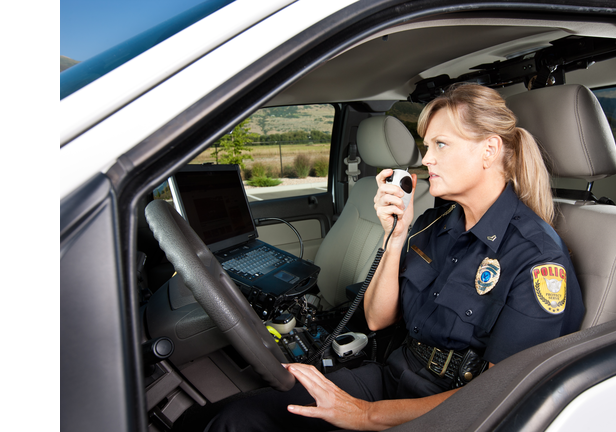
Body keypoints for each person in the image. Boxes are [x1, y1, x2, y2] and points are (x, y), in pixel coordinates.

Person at [205, 83, 584, 432]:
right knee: (238, 418)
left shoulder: (536, 259)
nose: (426, 158)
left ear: (489, 150)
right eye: (426, 145)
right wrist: (394, 236)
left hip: (449, 411)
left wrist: (365, 414)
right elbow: (377, 317)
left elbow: (500, 395)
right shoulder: (432, 225)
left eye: (440, 145)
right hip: (392, 378)